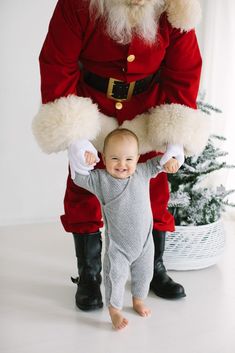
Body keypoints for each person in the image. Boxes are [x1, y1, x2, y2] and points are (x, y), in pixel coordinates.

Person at [32, 0, 211, 311]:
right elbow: (56, 62)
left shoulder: (176, 7)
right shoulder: (77, 5)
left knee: (153, 188)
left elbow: (184, 69)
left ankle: (154, 268)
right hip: (93, 106)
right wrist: (75, 134)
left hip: (146, 108)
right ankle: (89, 275)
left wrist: (176, 137)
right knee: (83, 186)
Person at [70, 128, 180, 330]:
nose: (122, 165)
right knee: (116, 277)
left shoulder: (142, 171)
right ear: (103, 157)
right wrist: (81, 157)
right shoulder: (101, 179)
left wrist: (170, 161)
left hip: (145, 243)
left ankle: (138, 301)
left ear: (137, 158)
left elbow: (159, 163)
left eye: (129, 159)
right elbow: (79, 177)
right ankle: (115, 310)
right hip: (119, 247)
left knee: (145, 274)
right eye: (115, 158)